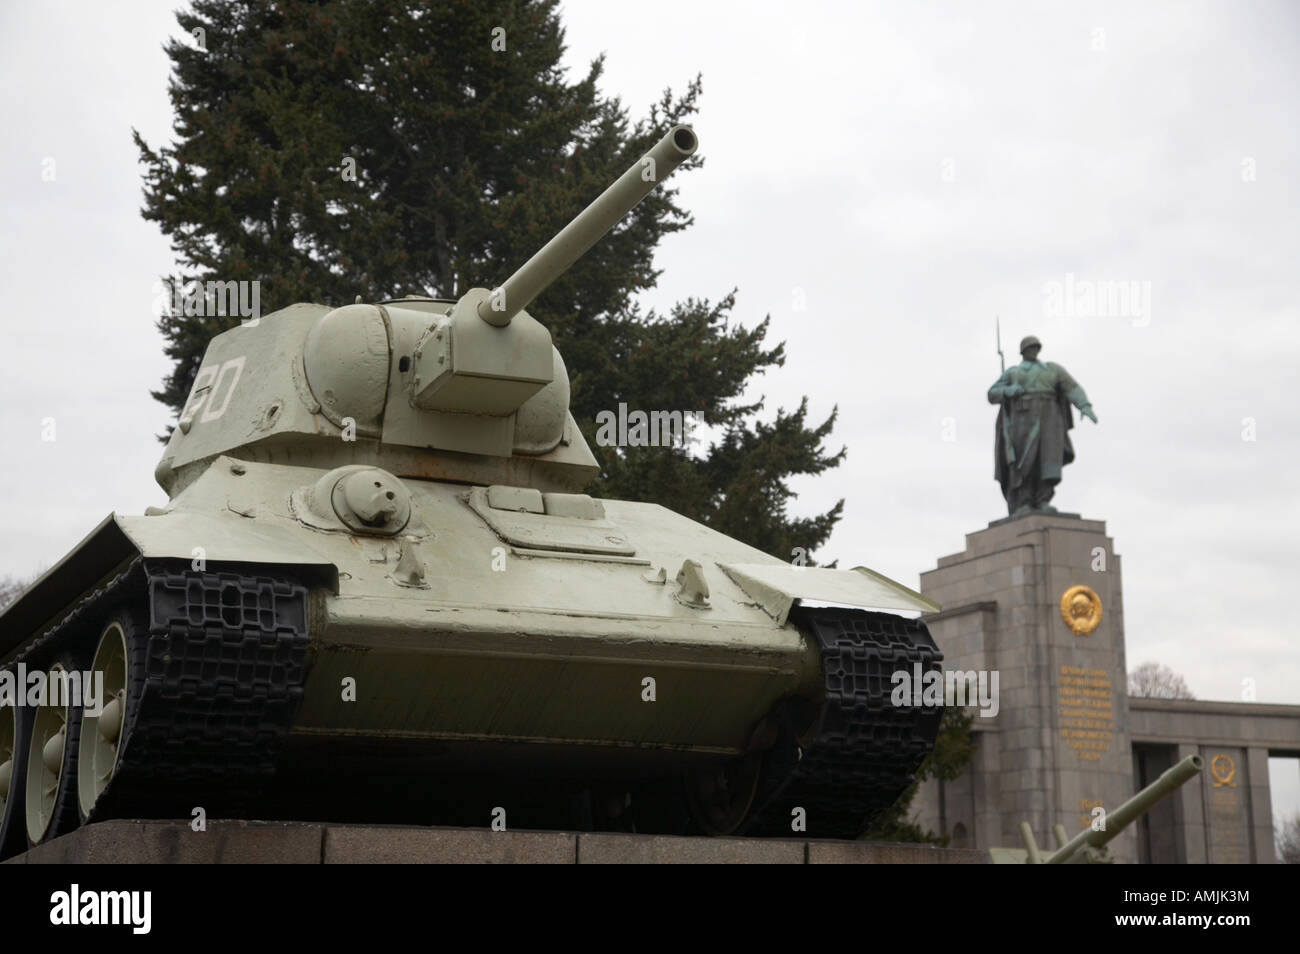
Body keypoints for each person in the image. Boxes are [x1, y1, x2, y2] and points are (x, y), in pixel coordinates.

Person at [988, 336, 1097, 516]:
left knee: (1049, 460)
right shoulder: (1013, 372)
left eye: (1036, 347)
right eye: (1030, 348)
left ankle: (1043, 500)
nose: (1033, 350)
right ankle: (1024, 502)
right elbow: (992, 393)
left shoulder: (1052, 370)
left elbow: (1072, 388)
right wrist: (1007, 391)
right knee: (1025, 462)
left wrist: (1084, 406)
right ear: (1022, 351)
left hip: (1050, 418)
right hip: (1023, 419)